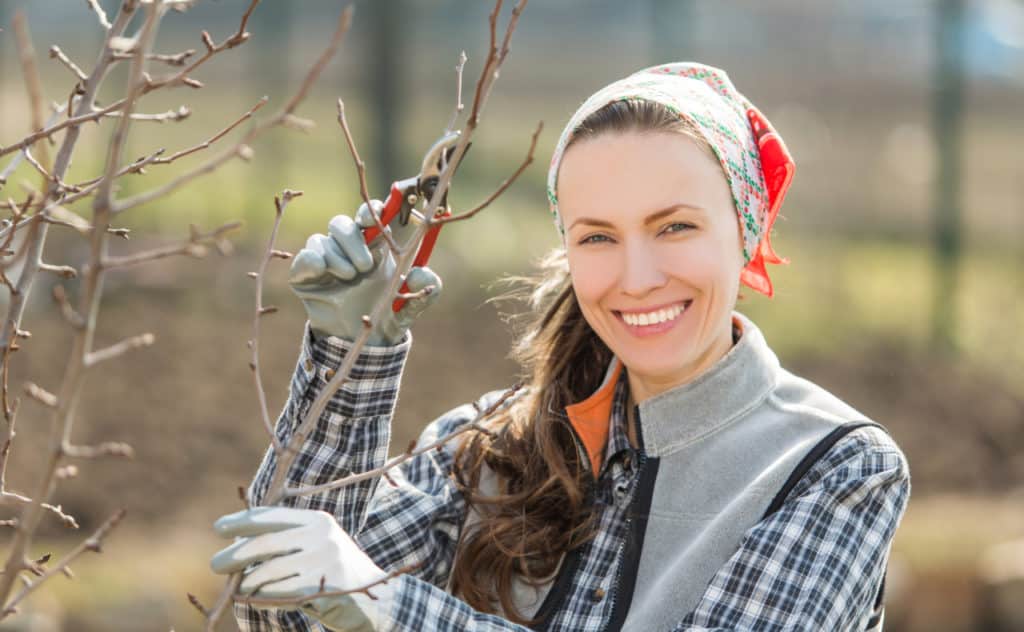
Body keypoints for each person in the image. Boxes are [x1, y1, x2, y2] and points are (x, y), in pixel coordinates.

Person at [210, 62, 911, 632]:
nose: (637, 279)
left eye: (675, 228)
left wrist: (391, 607)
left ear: (747, 232)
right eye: (598, 237)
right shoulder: (487, 443)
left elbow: (369, 603)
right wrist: (352, 355)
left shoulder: (835, 467)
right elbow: (278, 614)